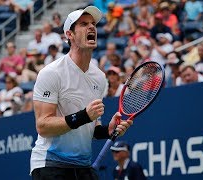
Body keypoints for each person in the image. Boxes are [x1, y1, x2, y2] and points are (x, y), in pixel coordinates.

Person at [30, 6, 133, 179]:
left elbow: (91, 129)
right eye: (84, 24)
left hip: (83, 166)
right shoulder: (51, 73)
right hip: (50, 164)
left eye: (93, 24)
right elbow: (43, 126)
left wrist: (108, 130)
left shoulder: (100, 78)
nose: (92, 27)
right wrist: (84, 116)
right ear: (69, 35)